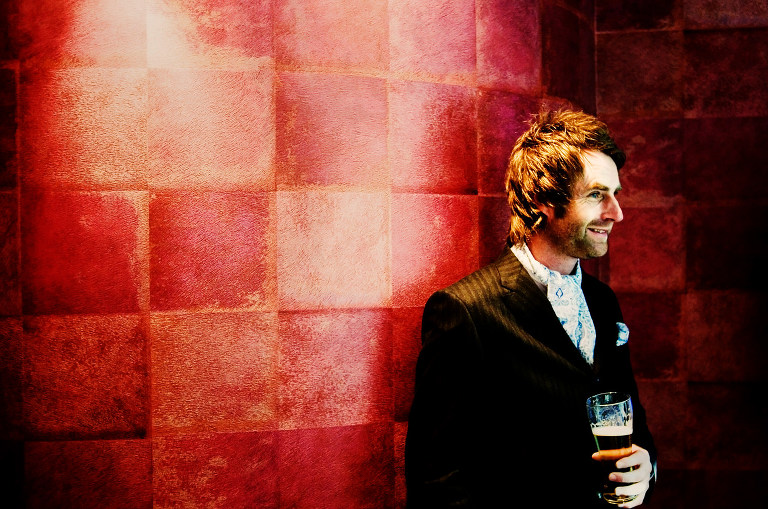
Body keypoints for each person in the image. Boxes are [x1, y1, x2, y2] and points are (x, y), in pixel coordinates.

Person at [405, 109, 657, 508]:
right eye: (596, 195)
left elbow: (632, 421)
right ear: (543, 199)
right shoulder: (465, 310)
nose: (616, 213)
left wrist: (646, 468)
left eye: (615, 194)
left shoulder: (604, 301)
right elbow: (438, 480)